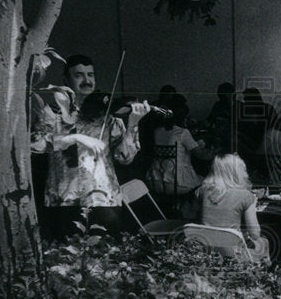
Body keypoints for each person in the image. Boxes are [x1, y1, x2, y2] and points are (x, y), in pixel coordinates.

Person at [31, 60, 148, 239]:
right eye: (78, 75)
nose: (86, 80)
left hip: (104, 197)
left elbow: (125, 158)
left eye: (90, 75)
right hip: (63, 198)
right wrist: (72, 138)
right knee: (65, 258)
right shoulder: (52, 112)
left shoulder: (108, 112)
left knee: (108, 257)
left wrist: (133, 124)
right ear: (66, 80)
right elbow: (35, 145)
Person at [197, 153, 270, 261]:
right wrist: (253, 205)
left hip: (207, 248)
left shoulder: (202, 191)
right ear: (238, 172)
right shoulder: (245, 196)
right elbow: (254, 233)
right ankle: (265, 274)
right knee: (264, 241)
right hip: (233, 253)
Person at [145, 85, 206, 204]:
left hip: (155, 180)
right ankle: (187, 208)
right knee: (205, 180)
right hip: (178, 183)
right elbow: (201, 155)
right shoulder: (183, 132)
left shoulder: (157, 131)